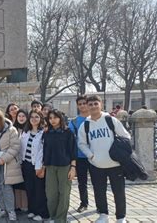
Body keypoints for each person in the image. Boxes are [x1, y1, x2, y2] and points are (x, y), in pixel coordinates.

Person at [78, 95, 130, 223]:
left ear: (101, 104)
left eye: (96, 103)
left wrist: (119, 151)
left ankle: (121, 217)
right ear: (87, 107)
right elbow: (81, 143)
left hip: (115, 163)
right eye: (90, 104)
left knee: (118, 192)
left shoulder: (110, 120)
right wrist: (91, 156)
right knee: (99, 191)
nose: (93, 106)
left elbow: (126, 136)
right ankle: (103, 214)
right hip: (96, 164)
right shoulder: (85, 125)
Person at [43, 109, 77, 222]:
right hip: (50, 166)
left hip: (64, 166)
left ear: (60, 118)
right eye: (50, 118)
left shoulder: (68, 132)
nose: (53, 120)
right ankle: (53, 216)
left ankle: (60, 218)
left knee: (64, 193)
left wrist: (73, 168)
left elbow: (73, 151)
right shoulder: (47, 133)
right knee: (51, 194)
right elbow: (45, 150)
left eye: (55, 117)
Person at [20, 110, 49, 221]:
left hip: (37, 165)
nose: (34, 119)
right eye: (31, 117)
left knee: (39, 190)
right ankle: (33, 210)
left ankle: (42, 213)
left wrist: (41, 167)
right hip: (26, 164)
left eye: (36, 117)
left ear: (41, 118)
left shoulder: (44, 133)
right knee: (29, 188)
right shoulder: (25, 132)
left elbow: (43, 151)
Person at [68, 95, 91, 213]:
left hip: (96, 155)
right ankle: (84, 203)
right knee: (82, 182)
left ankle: (101, 204)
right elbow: (70, 139)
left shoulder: (95, 118)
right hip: (80, 156)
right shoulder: (74, 121)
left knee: (98, 181)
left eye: (84, 103)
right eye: (80, 104)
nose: (82, 106)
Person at [12, 109, 29, 213]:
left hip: (26, 160)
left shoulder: (29, 129)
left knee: (25, 183)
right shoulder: (13, 129)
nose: (21, 118)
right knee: (16, 183)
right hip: (15, 160)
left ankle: (25, 204)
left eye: (23, 116)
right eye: (19, 116)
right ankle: (17, 204)